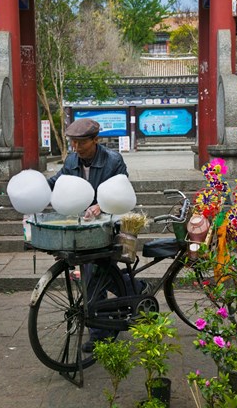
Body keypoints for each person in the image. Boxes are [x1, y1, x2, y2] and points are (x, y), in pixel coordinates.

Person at [47, 118, 151, 352]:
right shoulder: (71, 160)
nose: (76, 148)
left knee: (93, 274)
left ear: (95, 140)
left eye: (81, 143)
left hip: (109, 225)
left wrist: (101, 207)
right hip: (84, 227)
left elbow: (121, 193)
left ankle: (100, 334)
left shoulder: (113, 160)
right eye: (73, 143)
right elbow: (59, 182)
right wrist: (41, 189)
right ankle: (137, 287)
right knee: (98, 273)